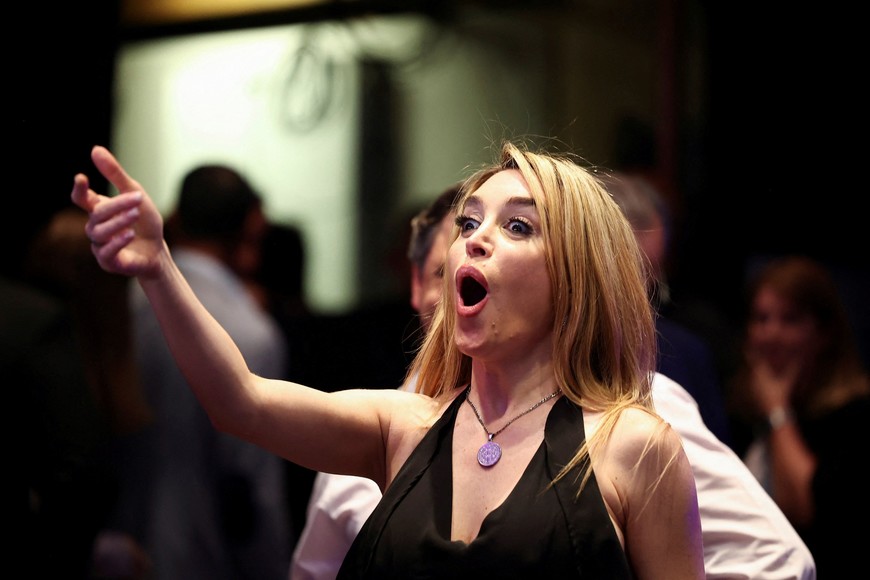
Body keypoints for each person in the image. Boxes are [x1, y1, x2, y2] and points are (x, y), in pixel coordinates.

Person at [72, 141, 704, 578]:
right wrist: (158, 269)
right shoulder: (405, 426)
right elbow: (241, 400)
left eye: (517, 226)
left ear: (575, 276)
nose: (475, 238)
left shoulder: (633, 445)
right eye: (468, 223)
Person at [292, 185, 816, 579]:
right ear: (414, 285)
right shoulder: (382, 418)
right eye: (458, 244)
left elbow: (774, 559)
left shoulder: (631, 407)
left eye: (513, 232)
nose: (471, 259)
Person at [107, 164, 295, 580]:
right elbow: (252, 487)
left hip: (118, 550)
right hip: (205, 559)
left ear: (175, 217)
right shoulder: (251, 333)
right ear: (251, 227)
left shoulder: (123, 309)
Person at [290, 184, 460, 580]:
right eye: (443, 273)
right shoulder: (362, 436)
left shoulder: (577, 431)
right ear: (416, 285)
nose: (461, 295)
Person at [728, 254, 870, 578]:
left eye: (789, 320)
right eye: (761, 319)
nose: (771, 334)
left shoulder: (856, 416)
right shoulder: (740, 410)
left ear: (824, 333)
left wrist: (778, 412)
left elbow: (805, 509)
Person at [602, 172, 732, 444]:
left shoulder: (683, 352)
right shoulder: (541, 349)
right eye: (626, 278)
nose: (639, 300)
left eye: (651, 280)